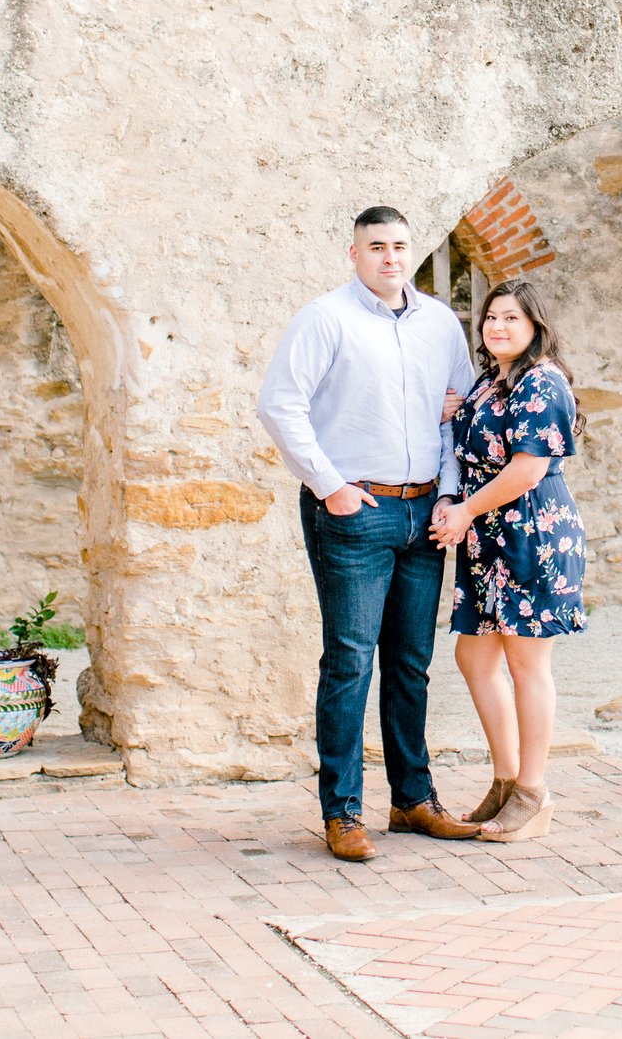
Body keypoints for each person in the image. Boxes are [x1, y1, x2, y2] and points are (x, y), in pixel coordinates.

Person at [258, 206, 481, 862]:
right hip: (356, 512)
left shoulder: (440, 322)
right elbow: (279, 404)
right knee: (351, 659)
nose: (390, 257)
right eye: (376, 246)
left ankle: (413, 799)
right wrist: (329, 483)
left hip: (424, 515)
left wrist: (447, 492)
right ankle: (343, 810)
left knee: (411, 663)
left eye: (400, 246)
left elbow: (454, 411)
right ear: (351, 252)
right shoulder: (325, 318)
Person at [430, 278, 587, 843]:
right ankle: (505, 780)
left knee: (526, 666)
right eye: (491, 317)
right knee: (474, 659)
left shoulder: (543, 382)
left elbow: (528, 469)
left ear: (534, 326)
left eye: (511, 319)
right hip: (487, 537)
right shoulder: (491, 382)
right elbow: (468, 436)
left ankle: (534, 790)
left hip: (532, 534)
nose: (498, 326)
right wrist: (454, 409)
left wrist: (465, 510)